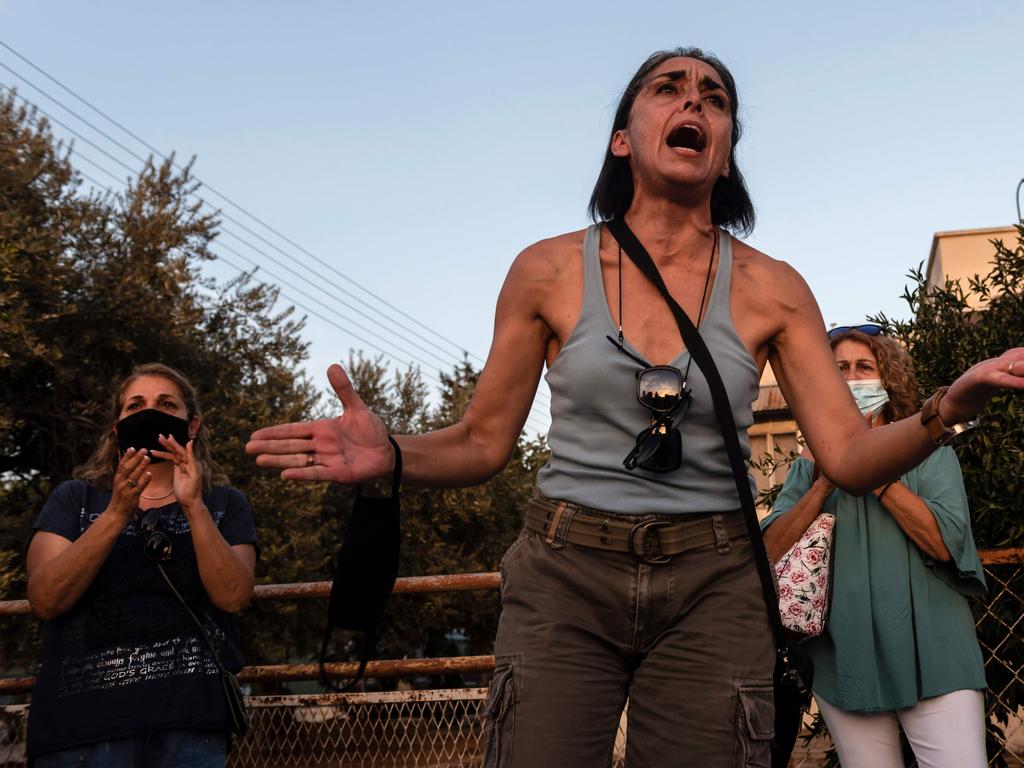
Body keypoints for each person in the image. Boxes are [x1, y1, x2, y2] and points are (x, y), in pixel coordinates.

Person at [246, 47, 1024, 767]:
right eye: (670, 88)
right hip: (565, 571)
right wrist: (395, 454)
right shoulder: (546, 270)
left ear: (723, 147)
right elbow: (483, 442)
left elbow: (850, 459)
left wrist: (945, 409)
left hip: (714, 579)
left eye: (715, 98)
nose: (695, 101)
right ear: (624, 138)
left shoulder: (772, 286)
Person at [762, 327, 988, 768]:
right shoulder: (806, 468)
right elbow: (769, 550)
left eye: (864, 368)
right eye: (839, 369)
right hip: (845, 659)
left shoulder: (932, 452)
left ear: (887, 379)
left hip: (935, 654)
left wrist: (867, 465)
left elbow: (945, 544)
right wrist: (828, 474)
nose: (851, 378)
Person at [26, 363, 258, 768]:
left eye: (167, 405)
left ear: (192, 426)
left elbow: (233, 596)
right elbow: (46, 599)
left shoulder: (224, 505)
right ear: (117, 429)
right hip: (81, 732)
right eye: (135, 406)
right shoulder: (75, 499)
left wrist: (194, 507)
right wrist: (117, 512)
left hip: (190, 728)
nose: (150, 413)